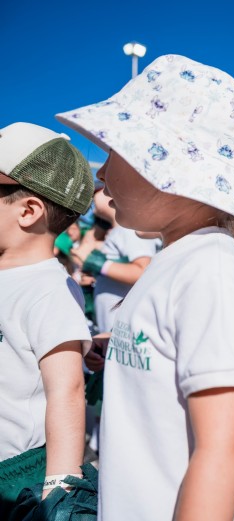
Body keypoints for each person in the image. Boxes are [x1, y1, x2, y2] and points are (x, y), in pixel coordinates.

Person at [57, 54, 234, 521]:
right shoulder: (183, 260)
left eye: (115, 153)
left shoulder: (209, 269)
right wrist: (123, 347)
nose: (101, 174)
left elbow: (223, 448)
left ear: (176, 169)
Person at [0, 122, 94, 515]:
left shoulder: (48, 288)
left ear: (28, 211)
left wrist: (59, 492)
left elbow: (66, 390)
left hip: (14, 475)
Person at [82, 185, 159, 333]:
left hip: (122, 329)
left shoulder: (129, 230)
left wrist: (100, 265)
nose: (93, 195)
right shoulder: (119, 231)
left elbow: (142, 271)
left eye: (103, 189)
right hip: (111, 329)